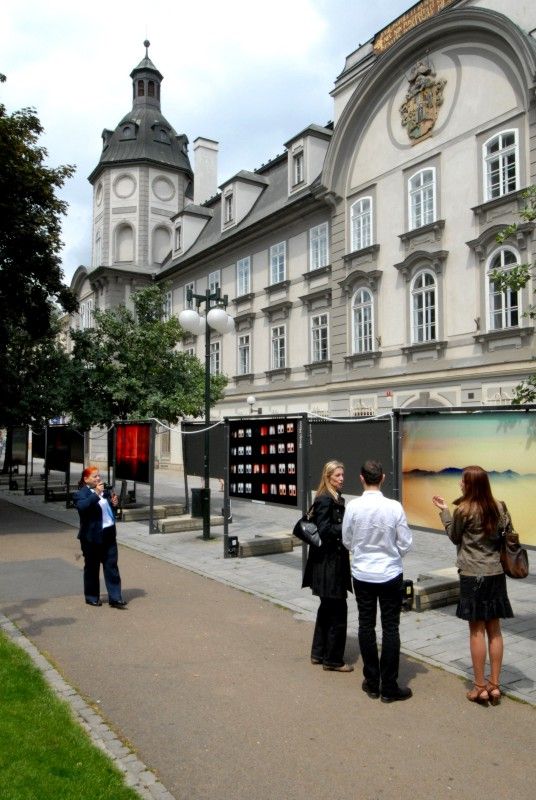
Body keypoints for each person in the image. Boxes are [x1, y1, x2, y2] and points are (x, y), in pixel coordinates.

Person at [432, 465, 513, 705]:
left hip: (471, 575)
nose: (459, 484)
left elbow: (454, 537)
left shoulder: (463, 510)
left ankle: (479, 687)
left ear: (470, 484)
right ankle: (495, 685)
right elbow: (507, 534)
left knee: (476, 630)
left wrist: (445, 512)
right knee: (495, 629)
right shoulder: (500, 506)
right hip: (496, 574)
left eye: (462, 481)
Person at [342, 460, 413, 702]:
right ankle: (389, 686)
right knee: (391, 627)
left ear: (362, 478)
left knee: (366, 625)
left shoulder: (353, 506)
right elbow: (405, 543)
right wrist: (392, 553)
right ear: (382, 478)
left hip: (362, 573)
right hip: (390, 573)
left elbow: (347, 540)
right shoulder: (394, 507)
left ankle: (372, 681)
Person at [302, 460, 353, 672]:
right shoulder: (325, 499)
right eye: (337, 476)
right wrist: (347, 525)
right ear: (328, 477)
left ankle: (318, 652)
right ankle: (332, 660)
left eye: (342, 475)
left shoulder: (333, 498)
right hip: (329, 565)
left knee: (326, 609)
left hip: (327, 563)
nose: (342, 479)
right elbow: (324, 529)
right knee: (338, 611)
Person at [73, 466, 127, 609]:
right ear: (86, 479)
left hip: (108, 534)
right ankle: (91, 597)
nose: (98, 479)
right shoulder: (81, 494)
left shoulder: (105, 492)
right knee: (92, 567)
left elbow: (108, 509)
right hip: (91, 537)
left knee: (111, 566)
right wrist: (96, 494)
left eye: (99, 476)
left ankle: (115, 598)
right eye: (94, 476)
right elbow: (83, 508)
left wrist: (114, 504)